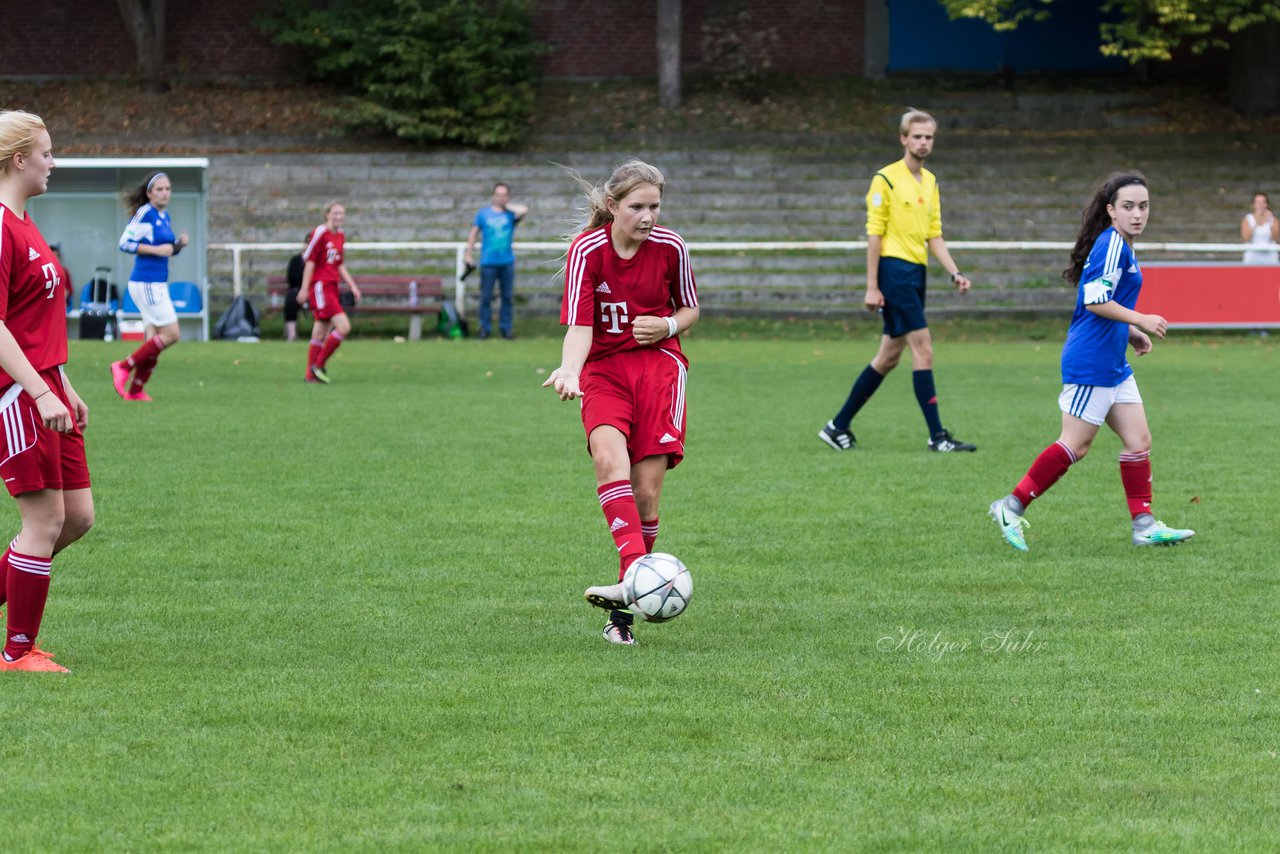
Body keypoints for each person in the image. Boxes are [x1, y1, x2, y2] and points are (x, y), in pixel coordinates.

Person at [989, 171, 1195, 552]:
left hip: (1112, 361)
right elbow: (1095, 301)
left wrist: (1129, 333)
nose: (1138, 214)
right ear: (1111, 210)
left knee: (1138, 440)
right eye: (1129, 206)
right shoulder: (1112, 245)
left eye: (1144, 206)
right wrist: (1140, 319)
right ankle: (1010, 506)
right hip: (1091, 361)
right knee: (1075, 445)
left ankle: (1144, 525)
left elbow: (1100, 302)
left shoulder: (1121, 245)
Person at [542, 161, 699, 646]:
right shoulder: (587, 251)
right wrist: (569, 369)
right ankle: (636, 578)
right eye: (637, 207)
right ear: (612, 207)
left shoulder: (671, 247)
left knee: (647, 494)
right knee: (609, 459)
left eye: (655, 205)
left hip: (659, 371)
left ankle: (622, 615)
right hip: (605, 372)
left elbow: (690, 307)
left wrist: (668, 326)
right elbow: (581, 326)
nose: (649, 215)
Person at [818, 109, 976, 454]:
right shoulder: (885, 179)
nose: (923, 142)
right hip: (894, 272)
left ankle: (837, 426)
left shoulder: (931, 181)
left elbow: (934, 234)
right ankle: (938, 437)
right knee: (924, 348)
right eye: (917, 136)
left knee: (888, 357)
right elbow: (874, 235)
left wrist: (955, 272)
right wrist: (872, 285)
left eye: (929, 137)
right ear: (904, 139)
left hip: (915, 272)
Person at [0, 110, 94, 673]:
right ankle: (17, 653)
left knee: (77, 517)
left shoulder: (27, 222)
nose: (52, 162)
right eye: (46, 153)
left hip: (49, 385)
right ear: (18, 159)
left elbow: (34, 321)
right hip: (17, 394)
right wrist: (39, 391)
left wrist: (65, 382)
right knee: (42, 523)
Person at [110, 171, 190, 401]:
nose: (165, 193)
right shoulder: (145, 213)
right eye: (160, 189)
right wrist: (157, 250)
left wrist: (178, 245)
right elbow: (125, 243)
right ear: (149, 193)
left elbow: (166, 250)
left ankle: (135, 390)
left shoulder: (164, 216)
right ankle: (123, 366)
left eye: (168, 189)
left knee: (154, 339)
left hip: (156, 283)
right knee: (172, 334)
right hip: (146, 282)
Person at [298, 202, 361, 383]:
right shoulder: (320, 233)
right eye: (335, 213)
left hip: (332, 287)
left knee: (319, 334)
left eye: (342, 213)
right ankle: (317, 366)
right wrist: (304, 288)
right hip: (320, 287)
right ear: (327, 214)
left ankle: (310, 376)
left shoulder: (340, 235)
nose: (339, 217)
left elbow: (339, 263)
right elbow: (309, 261)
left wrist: (352, 285)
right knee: (344, 327)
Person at [464, 182, 527, 340]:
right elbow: (473, 234)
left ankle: (506, 329)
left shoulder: (510, 214)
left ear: (508, 197)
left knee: (507, 298)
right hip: (488, 263)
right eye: (498, 195)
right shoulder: (483, 214)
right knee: (485, 297)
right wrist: (468, 255)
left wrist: (506, 205)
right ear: (493, 196)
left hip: (506, 262)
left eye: (504, 195)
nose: (500, 198)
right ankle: (484, 328)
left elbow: (524, 210)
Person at [1240, 192, 1279, 264]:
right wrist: (1257, 222)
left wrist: (1270, 222)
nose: (1260, 205)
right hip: (1252, 256)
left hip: (1270, 257)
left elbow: (1276, 238)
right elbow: (1246, 238)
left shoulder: (1273, 220)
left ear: (1267, 204)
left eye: (1263, 202)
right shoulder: (1247, 219)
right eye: (1258, 202)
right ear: (1253, 205)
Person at [283, 250, 304, 341]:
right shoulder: (296, 260)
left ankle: (327, 334)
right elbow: (291, 278)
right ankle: (292, 335)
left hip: (315, 290)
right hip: (297, 291)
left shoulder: (319, 259)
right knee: (290, 300)